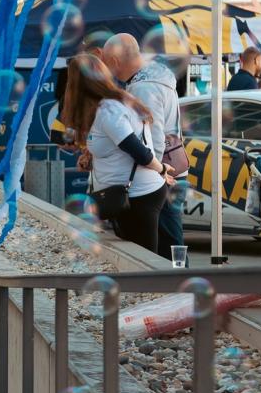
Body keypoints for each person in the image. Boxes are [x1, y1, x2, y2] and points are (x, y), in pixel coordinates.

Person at [63, 52, 173, 254]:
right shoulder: (111, 104)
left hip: (138, 196)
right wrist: (91, 158)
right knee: (134, 257)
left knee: (143, 260)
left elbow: (139, 152)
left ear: (77, 84)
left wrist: (162, 169)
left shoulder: (109, 110)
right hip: (126, 195)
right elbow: (118, 147)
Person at [101, 33, 184, 257]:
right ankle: (179, 275)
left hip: (160, 174)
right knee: (171, 238)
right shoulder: (158, 78)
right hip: (170, 166)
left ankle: (176, 278)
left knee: (164, 242)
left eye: (108, 63)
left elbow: (152, 138)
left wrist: (156, 172)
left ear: (115, 61)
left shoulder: (142, 88)